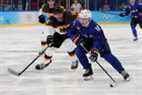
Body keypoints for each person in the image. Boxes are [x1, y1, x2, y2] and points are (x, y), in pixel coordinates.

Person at [67, 9, 130, 80]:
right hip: (86, 41)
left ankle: (122, 71)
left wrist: (94, 51)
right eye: (81, 19)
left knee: (107, 56)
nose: (82, 21)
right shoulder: (76, 23)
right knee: (78, 51)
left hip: (100, 42)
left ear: (89, 19)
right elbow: (69, 31)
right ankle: (88, 70)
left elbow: (99, 41)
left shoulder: (96, 28)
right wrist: (75, 38)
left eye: (85, 19)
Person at [35, 6, 79, 70]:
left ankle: (74, 61)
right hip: (58, 35)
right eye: (56, 14)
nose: (58, 15)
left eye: (60, 13)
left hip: (69, 33)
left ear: (63, 12)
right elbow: (49, 30)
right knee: (50, 48)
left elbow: (80, 17)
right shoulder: (52, 20)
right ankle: (46, 61)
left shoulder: (69, 15)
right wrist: (49, 37)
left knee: (69, 46)